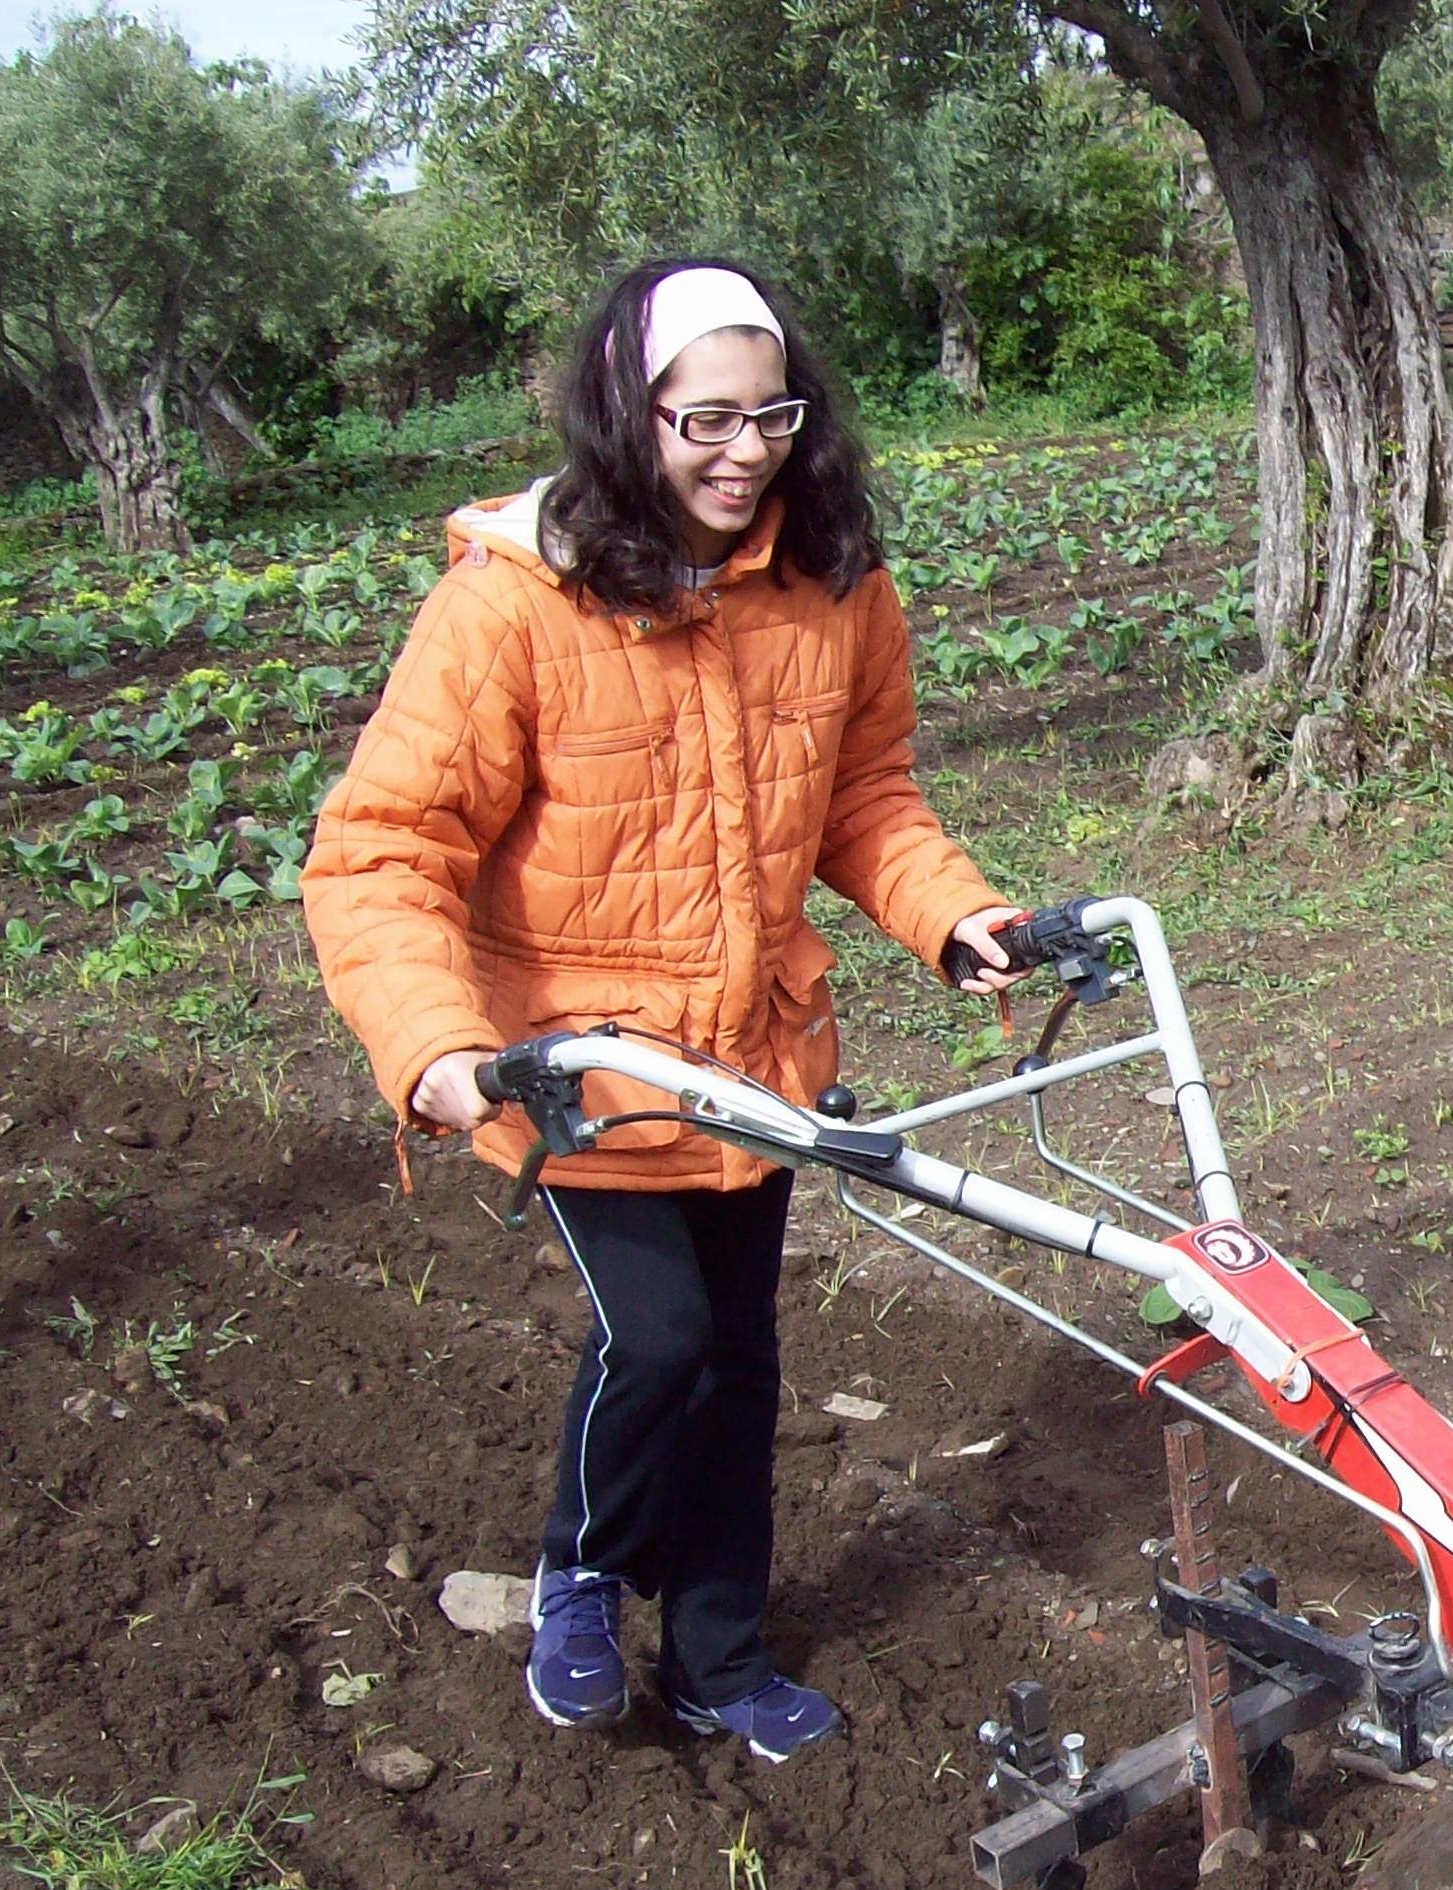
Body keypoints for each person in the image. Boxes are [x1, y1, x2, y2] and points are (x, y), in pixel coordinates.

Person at [304, 256, 1027, 1764]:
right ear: (629, 416)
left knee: (741, 1369)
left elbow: (867, 799)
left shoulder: (830, 582)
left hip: (753, 1057)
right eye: (706, 419)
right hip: (578, 1067)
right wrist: (434, 1047)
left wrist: (951, 912)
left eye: (772, 415)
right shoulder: (514, 606)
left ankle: (719, 1660)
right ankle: (579, 1570)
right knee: (666, 1338)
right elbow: (383, 849)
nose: (743, 451)